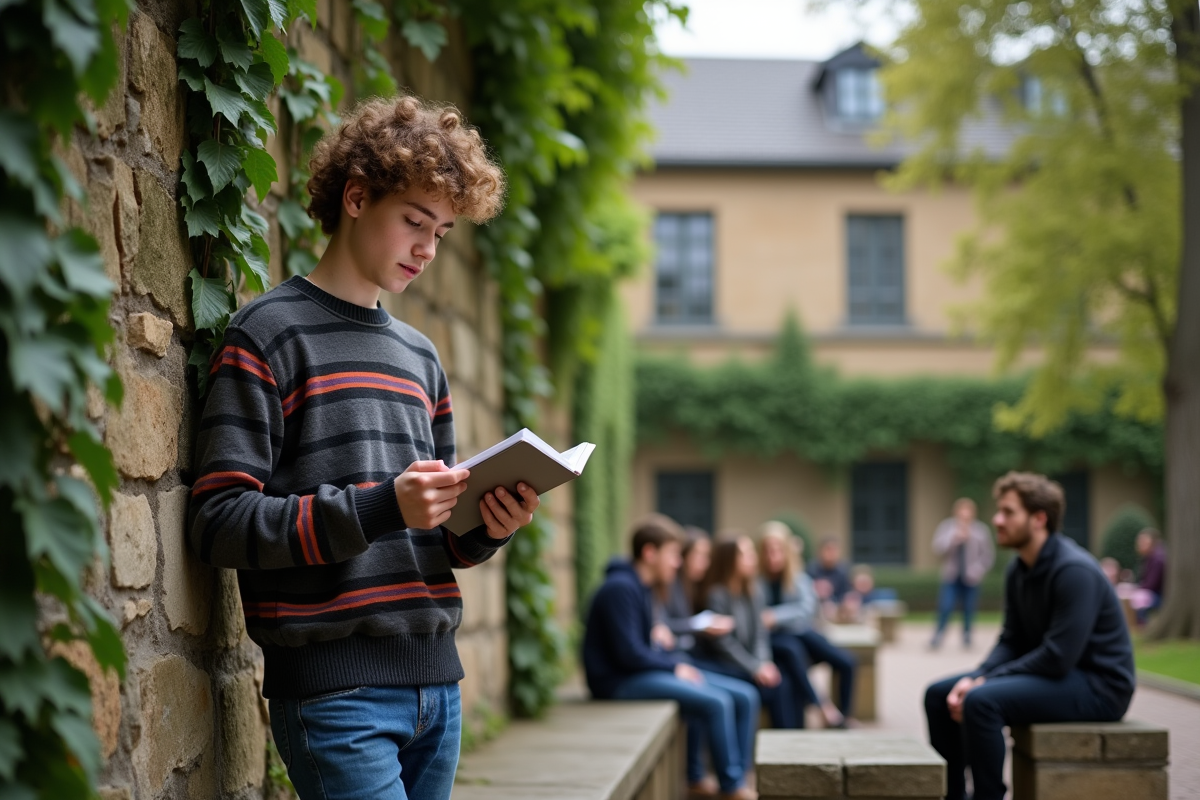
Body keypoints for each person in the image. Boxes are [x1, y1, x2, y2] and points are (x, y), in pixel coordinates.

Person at [188, 96, 535, 800]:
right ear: (355, 197)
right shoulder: (267, 335)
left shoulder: (421, 356)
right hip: (334, 696)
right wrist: (383, 506)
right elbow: (218, 522)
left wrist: (484, 528)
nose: (428, 249)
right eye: (414, 221)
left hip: (439, 690)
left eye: (441, 232)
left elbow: (432, 536)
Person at [924, 472, 1135, 800]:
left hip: (1100, 686)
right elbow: (1012, 639)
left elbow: (1058, 656)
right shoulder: (1019, 569)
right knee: (939, 695)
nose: (996, 520)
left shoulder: (1074, 571)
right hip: (1059, 674)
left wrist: (983, 684)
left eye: (1008, 512)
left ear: (1039, 519)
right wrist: (980, 674)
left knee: (982, 702)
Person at [583, 516, 759, 800]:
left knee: (745, 694)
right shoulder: (621, 588)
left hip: (640, 671)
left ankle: (732, 776)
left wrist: (667, 653)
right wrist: (675, 666)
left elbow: (644, 643)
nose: (677, 563)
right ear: (650, 552)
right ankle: (731, 787)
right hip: (617, 681)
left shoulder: (641, 587)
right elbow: (628, 655)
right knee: (717, 702)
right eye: (673, 554)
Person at [698, 534, 809, 729]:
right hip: (729, 666)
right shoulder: (717, 595)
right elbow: (725, 644)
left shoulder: (753, 591)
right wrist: (755, 667)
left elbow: (760, 634)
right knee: (777, 688)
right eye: (746, 554)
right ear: (730, 559)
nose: (753, 558)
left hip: (752, 662)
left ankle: (792, 740)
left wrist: (764, 663)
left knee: (786, 680)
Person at [757, 521, 857, 728]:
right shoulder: (757, 581)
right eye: (767, 550)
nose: (772, 555)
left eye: (777, 550)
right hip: (777, 640)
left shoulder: (797, 577)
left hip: (799, 632)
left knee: (847, 662)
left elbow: (805, 610)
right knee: (793, 654)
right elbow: (758, 618)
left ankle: (843, 718)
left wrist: (775, 616)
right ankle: (822, 707)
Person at [930, 498, 995, 649]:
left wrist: (978, 570)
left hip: (971, 577)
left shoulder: (980, 530)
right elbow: (937, 548)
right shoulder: (947, 527)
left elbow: (987, 556)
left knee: (969, 608)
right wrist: (954, 538)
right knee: (945, 607)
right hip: (951, 576)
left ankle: (967, 637)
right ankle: (938, 636)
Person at [808, 537, 852, 620]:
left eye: (834, 550)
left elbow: (846, 594)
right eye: (828, 549)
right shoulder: (812, 570)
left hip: (837, 613)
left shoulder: (843, 571)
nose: (831, 553)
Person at [1134, 527, 1166, 622]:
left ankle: (1141, 624)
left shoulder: (1157, 559)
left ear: (1152, 542)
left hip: (1159, 596)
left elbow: (1152, 585)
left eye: (1144, 541)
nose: (1140, 544)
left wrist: (1135, 589)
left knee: (1137, 600)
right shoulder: (1150, 557)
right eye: (1139, 541)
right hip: (1155, 593)